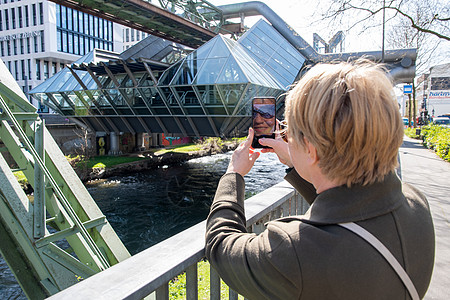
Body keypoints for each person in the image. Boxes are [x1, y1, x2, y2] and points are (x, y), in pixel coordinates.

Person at [205, 59, 435, 300]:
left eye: (291, 132)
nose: (287, 137)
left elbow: (221, 245)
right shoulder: (416, 202)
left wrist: (233, 174)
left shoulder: (296, 250)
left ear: (311, 149)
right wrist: (298, 161)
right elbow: (350, 212)